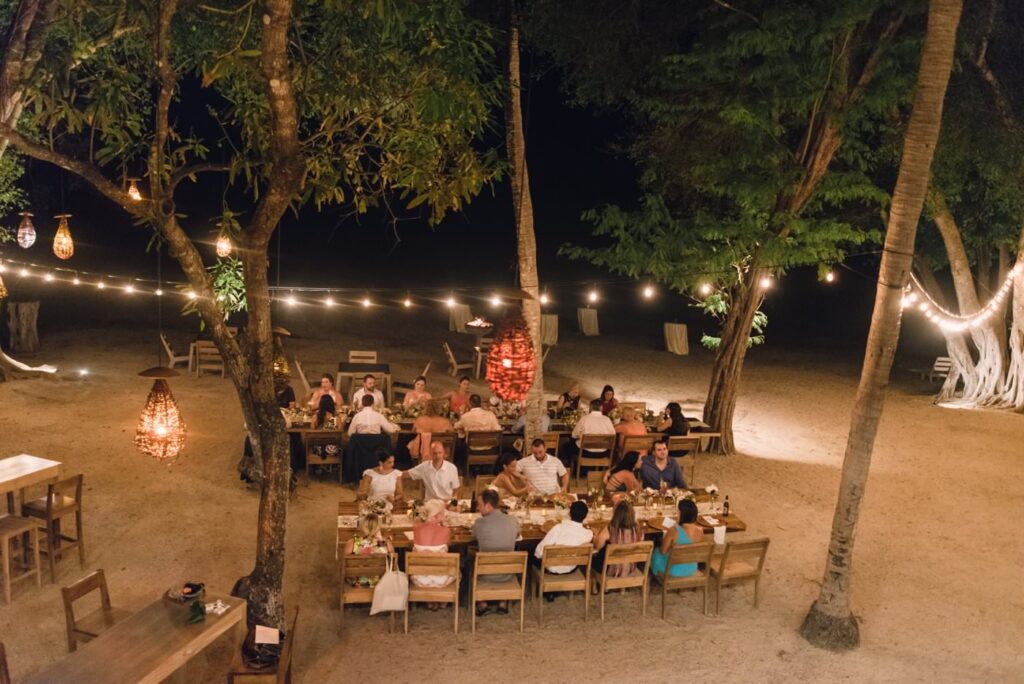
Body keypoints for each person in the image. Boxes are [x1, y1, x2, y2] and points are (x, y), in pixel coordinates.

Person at [471, 488, 520, 616]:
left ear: (488, 506)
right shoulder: (512, 520)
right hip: (507, 573)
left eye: (479, 505)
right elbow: (517, 534)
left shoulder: (479, 523)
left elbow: (473, 535)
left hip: (485, 574)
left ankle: (482, 603)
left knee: (469, 561)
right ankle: (502, 602)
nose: (477, 508)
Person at [533, 500, 593, 601]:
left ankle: (549, 590)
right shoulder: (588, 534)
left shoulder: (558, 528)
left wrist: (537, 555)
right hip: (571, 568)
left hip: (551, 568)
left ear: (569, 513)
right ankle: (553, 591)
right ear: (585, 516)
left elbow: (539, 552)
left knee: (534, 554)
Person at [410, 499, 454, 606]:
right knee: (458, 571)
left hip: (420, 579)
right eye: (444, 512)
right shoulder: (446, 531)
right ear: (437, 515)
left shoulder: (416, 529)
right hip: (441, 579)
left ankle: (430, 601)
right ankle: (442, 601)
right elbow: (448, 545)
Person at [591, 499, 643, 583]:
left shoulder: (610, 529)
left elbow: (597, 546)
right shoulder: (637, 529)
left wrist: (596, 535)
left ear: (616, 514)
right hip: (630, 567)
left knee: (593, 556)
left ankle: (595, 583)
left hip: (611, 570)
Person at [651, 499, 704, 579]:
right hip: (691, 568)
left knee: (655, 552)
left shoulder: (673, 531)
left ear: (680, 514)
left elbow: (663, 551)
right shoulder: (700, 531)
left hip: (674, 570)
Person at [341, 513, 394, 587]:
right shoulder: (385, 544)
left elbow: (345, 564)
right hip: (381, 583)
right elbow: (393, 562)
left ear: (363, 526)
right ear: (378, 527)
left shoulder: (352, 543)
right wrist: (381, 539)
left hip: (358, 583)